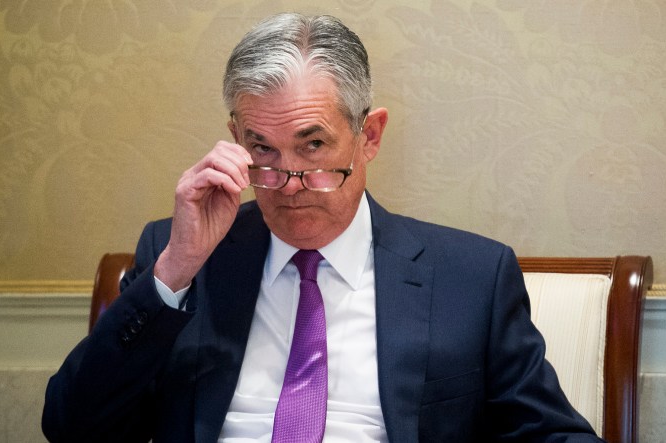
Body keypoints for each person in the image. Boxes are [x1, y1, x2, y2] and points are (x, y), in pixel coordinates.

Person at [42, 13, 604, 443]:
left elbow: (552, 434)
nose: (288, 183)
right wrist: (175, 272)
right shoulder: (181, 257)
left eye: (312, 146)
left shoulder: (471, 277)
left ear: (369, 136)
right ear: (235, 140)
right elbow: (72, 426)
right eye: (263, 150)